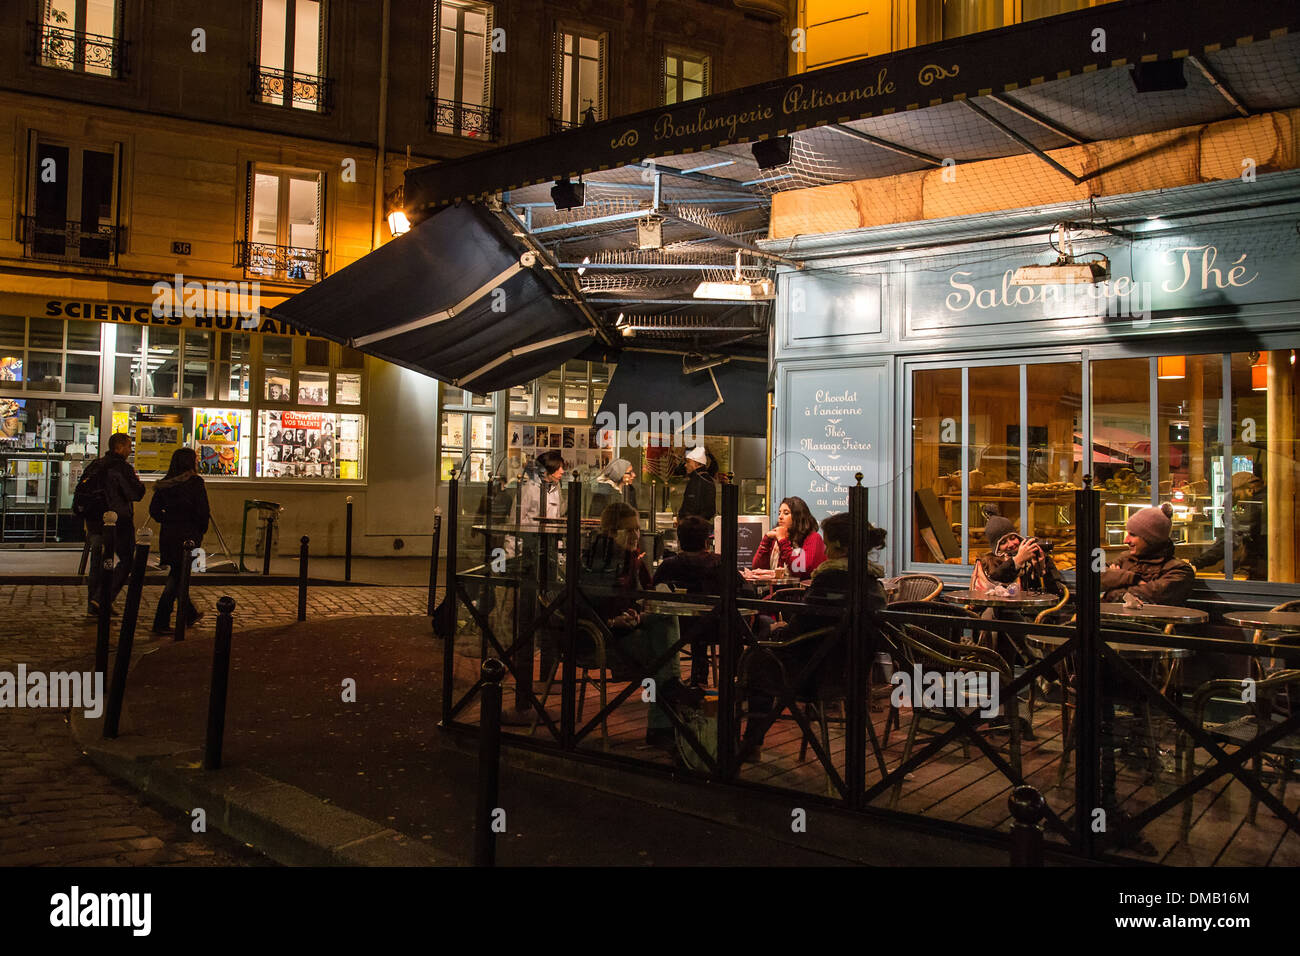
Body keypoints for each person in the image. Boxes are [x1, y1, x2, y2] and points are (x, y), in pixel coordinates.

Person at [740, 512, 887, 757]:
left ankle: (750, 743)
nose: (825, 550)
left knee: (757, 660)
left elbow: (801, 628)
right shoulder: (872, 581)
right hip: (853, 675)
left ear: (839, 545)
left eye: (828, 544)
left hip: (814, 675)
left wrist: (777, 633)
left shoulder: (831, 578)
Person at [583, 502, 691, 747]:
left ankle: (663, 717)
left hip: (628, 628)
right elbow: (585, 606)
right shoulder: (601, 560)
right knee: (663, 642)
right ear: (611, 531)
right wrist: (615, 620)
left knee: (664, 617)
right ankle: (666, 709)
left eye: (637, 530)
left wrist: (641, 613)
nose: (635, 535)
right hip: (605, 636)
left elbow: (649, 594)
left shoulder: (631, 558)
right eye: (628, 530)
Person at [653, 515, 753, 685]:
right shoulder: (720, 563)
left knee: (698, 624)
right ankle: (734, 679)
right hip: (719, 628)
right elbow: (747, 593)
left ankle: (696, 679)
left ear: (680, 540)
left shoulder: (669, 566)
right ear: (707, 541)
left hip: (679, 628)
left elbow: (652, 592)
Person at [148, 447, 211, 633]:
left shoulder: (166, 485)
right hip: (188, 536)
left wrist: (167, 519)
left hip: (169, 535)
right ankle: (161, 620)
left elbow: (154, 510)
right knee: (177, 578)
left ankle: (189, 613)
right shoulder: (195, 483)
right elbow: (202, 511)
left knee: (178, 575)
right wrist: (199, 530)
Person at [84, 433, 146, 615]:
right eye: (128, 446)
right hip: (119, 521)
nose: (130, 450)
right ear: (118, 447)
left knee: (98, 561)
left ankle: (93, 604)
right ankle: (102, 598)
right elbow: (136, 493)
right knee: (127, 561)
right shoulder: (121, 468)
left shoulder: (96, 465)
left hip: (95, 521)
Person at [1100, 503, 1195, 605]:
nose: (1125, 540)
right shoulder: (1125, 558)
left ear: (1151, 539)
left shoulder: (1179, 570)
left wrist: (1111, 589)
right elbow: (1091, 577)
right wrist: (1131, 578)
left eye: (1132, 535)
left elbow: (1151, 596)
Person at [1190, 470, 1267, 580]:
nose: (1236, 498)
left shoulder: (1258, 505)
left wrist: (1196, 563)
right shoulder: (1261, 501)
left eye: (1235, 493)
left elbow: (1231, 539)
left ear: (1249, 489)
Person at [973, 509, 1064, 596]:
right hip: (1002, 610)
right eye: (1003, 542)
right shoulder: (989, 561)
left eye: (1013, 538)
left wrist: (1041, 569)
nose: (1011, 544)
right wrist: (1018, 560)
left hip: (1031, 609)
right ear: (997, 548)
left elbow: (1056, 592)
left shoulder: (1036, 554)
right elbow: (997, 579)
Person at [752, 496, 826, 579]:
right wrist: (766, 541)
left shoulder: (813, 538)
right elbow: (757, 568)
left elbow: (800, 570)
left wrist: (783, 541)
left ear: (798, 517)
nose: (780, 517)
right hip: (774, 589)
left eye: (786, 513)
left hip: (800, 590)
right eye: (779, 513)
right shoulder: (776, 539)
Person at [520, 450, 566, 523]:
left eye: (562, 468)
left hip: (552, 533)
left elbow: (561, 512)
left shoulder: (556, 486)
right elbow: (517, 518)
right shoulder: (529, 488)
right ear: (545, 471)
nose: (562, 471)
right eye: (558, 468)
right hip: (532, 533)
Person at [677, 446, 716, 522]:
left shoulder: (698, 480)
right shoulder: (704, 478)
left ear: (698, 464)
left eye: (688, 461)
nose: (685, 465)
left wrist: (684, 521)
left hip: (693, 527)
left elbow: (691, 507)